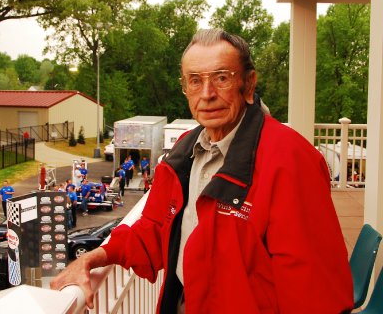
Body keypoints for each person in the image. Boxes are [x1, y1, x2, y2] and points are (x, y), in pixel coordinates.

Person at [51, 29, 353, 313]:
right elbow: (156, 229)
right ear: (185, 87)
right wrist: (93, 257)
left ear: (248, 84)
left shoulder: (291, 160)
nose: (206, 94)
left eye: (221, 78)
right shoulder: (186, 150)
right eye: (194, 80)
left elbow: (315, 290)